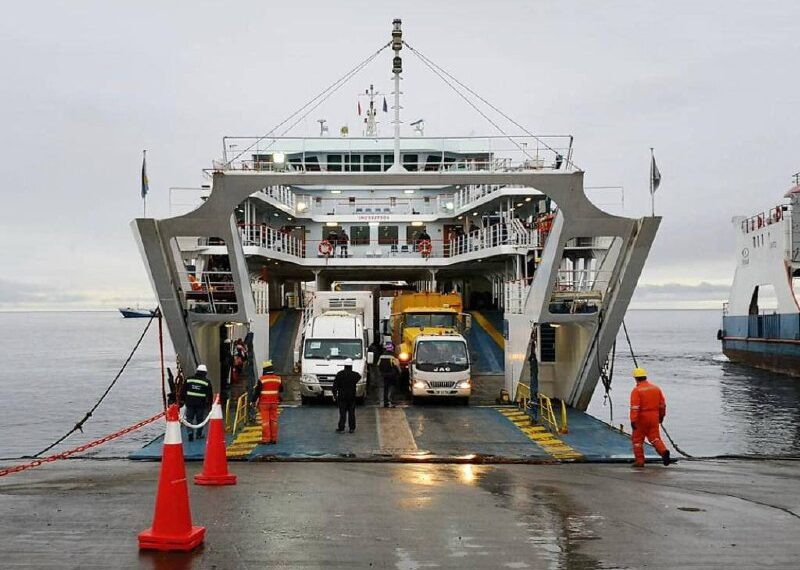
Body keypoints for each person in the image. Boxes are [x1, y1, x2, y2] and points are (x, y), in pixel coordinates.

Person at [630, 367, 671, 468]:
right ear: (645, 377)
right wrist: (661, 416)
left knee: (637, 440)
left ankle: (640, 461)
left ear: (635, 378)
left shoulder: (636, 391)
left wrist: (633, 420)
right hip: (654, 417)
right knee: (655, 438)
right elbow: (662, 405)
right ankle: (664, 452)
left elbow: (635, 407)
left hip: (642, 418)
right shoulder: (656, 389)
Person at [251, 360, 282, 444]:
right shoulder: (278, 379)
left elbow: (257, 392)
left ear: (264, 370)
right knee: (273, 420)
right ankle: (274, 439)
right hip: (274, 403)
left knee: (265, 422)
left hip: (264, 403)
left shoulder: (262, 379)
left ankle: (266, 439)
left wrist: (253, 401)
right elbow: (281, 389)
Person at [181, 364, 214, 442]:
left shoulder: (189, 380)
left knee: (189, 419)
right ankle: (198, 434)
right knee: (200, 420)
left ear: (197, 371)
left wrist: (182, 400)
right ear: (205, 373)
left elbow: (183, 391)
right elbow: (210, 395)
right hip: (200, 404)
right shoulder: (206, 382)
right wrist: (210, 404)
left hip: (189, 403)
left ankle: (190, 433)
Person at [332, 358, 361, 433]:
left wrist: (335, 395)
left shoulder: (340, 374)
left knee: (342, 413)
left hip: (342, 396)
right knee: (351, 413)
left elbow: (335, 386)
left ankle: (341, 428)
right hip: (351, 396)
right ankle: (352, 428)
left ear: (344, 365)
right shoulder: (355, 375)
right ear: (351, 366)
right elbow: (359, 377)